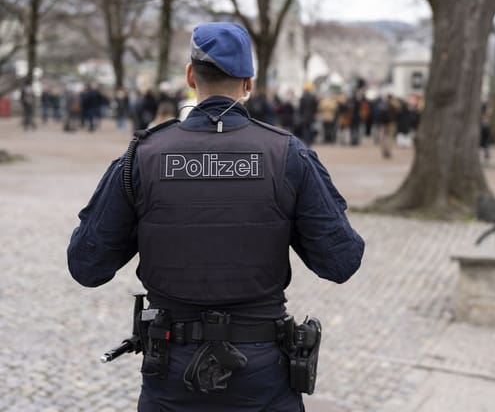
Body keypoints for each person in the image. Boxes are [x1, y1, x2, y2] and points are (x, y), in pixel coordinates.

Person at [67, 22, 364, 412]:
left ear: (191, 76)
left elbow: (87, 264)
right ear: (249, 83)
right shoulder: (287, 155)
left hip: (172, 372)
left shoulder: (143, 157)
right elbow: (341, 260)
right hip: (263, 376)